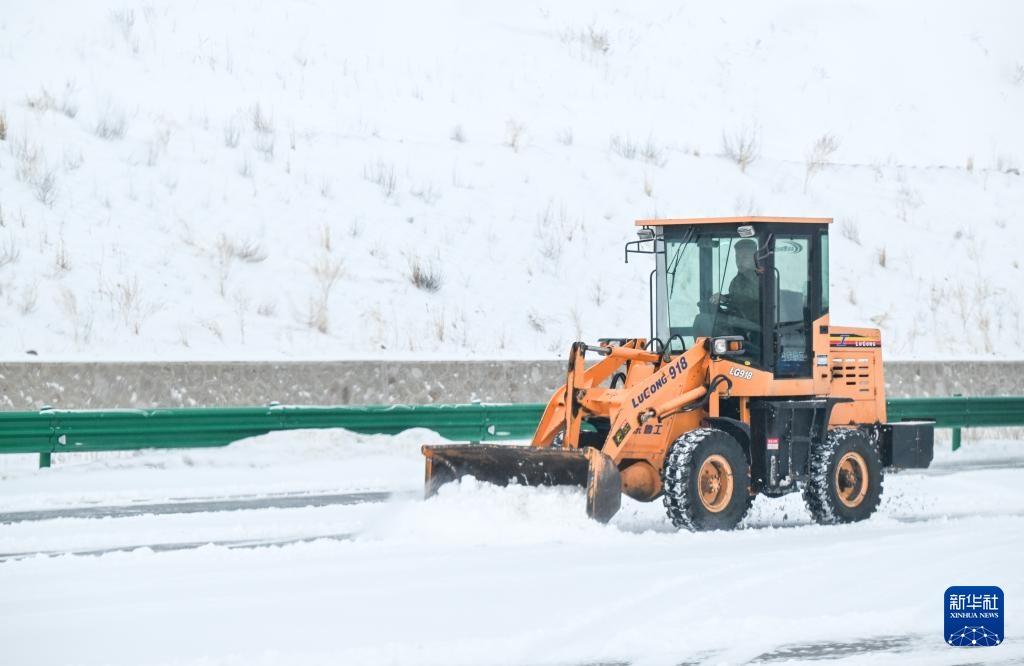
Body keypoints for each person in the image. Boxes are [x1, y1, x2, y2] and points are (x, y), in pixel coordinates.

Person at [722, 238, 760, 325]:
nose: (739, 261)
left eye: (744, 257)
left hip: (757, 328)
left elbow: (750, 302)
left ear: (755, 258)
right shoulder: (736, 281)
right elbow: (736, 299)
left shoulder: (764, 279)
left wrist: (727, 300)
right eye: (737, 257)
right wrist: (724, 299)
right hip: (740, 325)